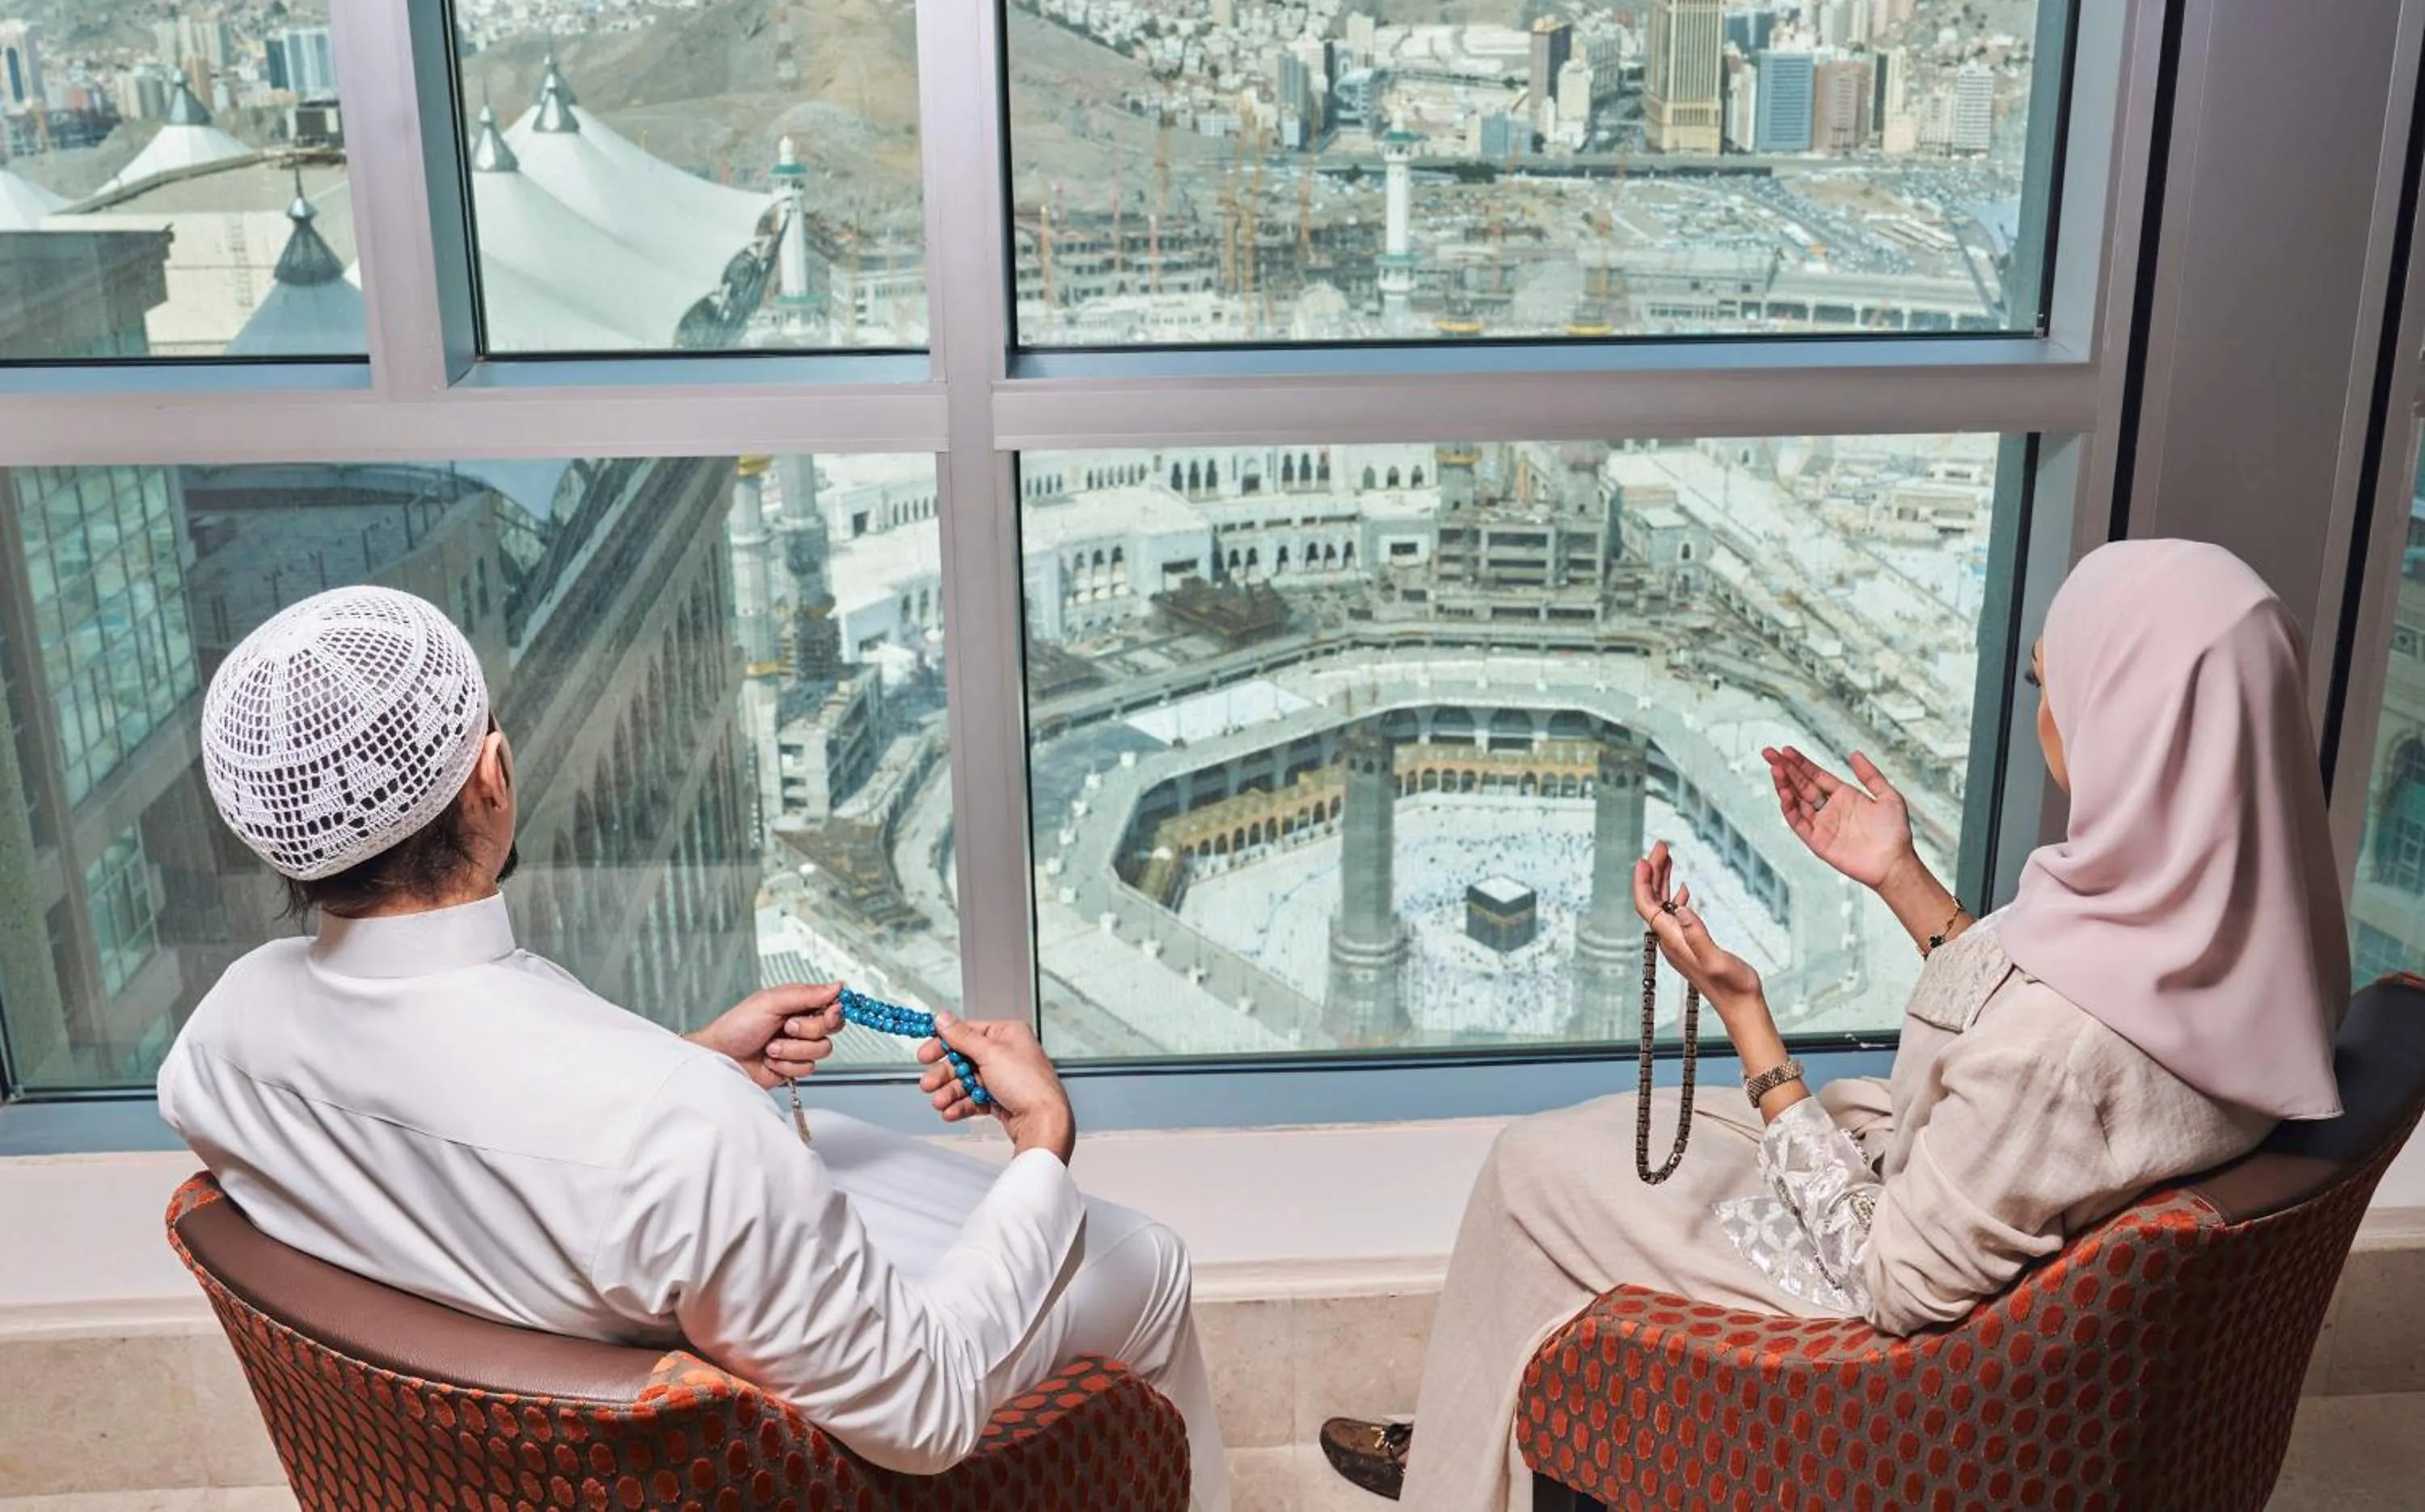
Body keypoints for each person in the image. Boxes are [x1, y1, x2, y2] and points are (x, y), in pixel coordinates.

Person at [1320, 537, 2350, 1508]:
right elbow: (2052, 1019)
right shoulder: (2268, 941)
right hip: (1976, 1208)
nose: (2047, 718)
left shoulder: (2060, 1056)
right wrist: (1900, 878)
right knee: (1580, 1149)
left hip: (1892, 1329)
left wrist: (1747, 1020)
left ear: (2127, 721)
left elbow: (1894, 1275)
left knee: (1529, 1171)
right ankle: (1485, 1417)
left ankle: (1468, 1464)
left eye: (2057, 687)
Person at [156, 585, 1229, 1506]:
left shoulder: (218, 1045)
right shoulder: (683, 1132)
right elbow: (927, 1412)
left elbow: (446, 1131)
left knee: (841, 1150)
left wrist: (695, 1061)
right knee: (1144, 1257)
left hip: (490, 1411)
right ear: (491, 773)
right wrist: (1042, 1140)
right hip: (771, 1422)